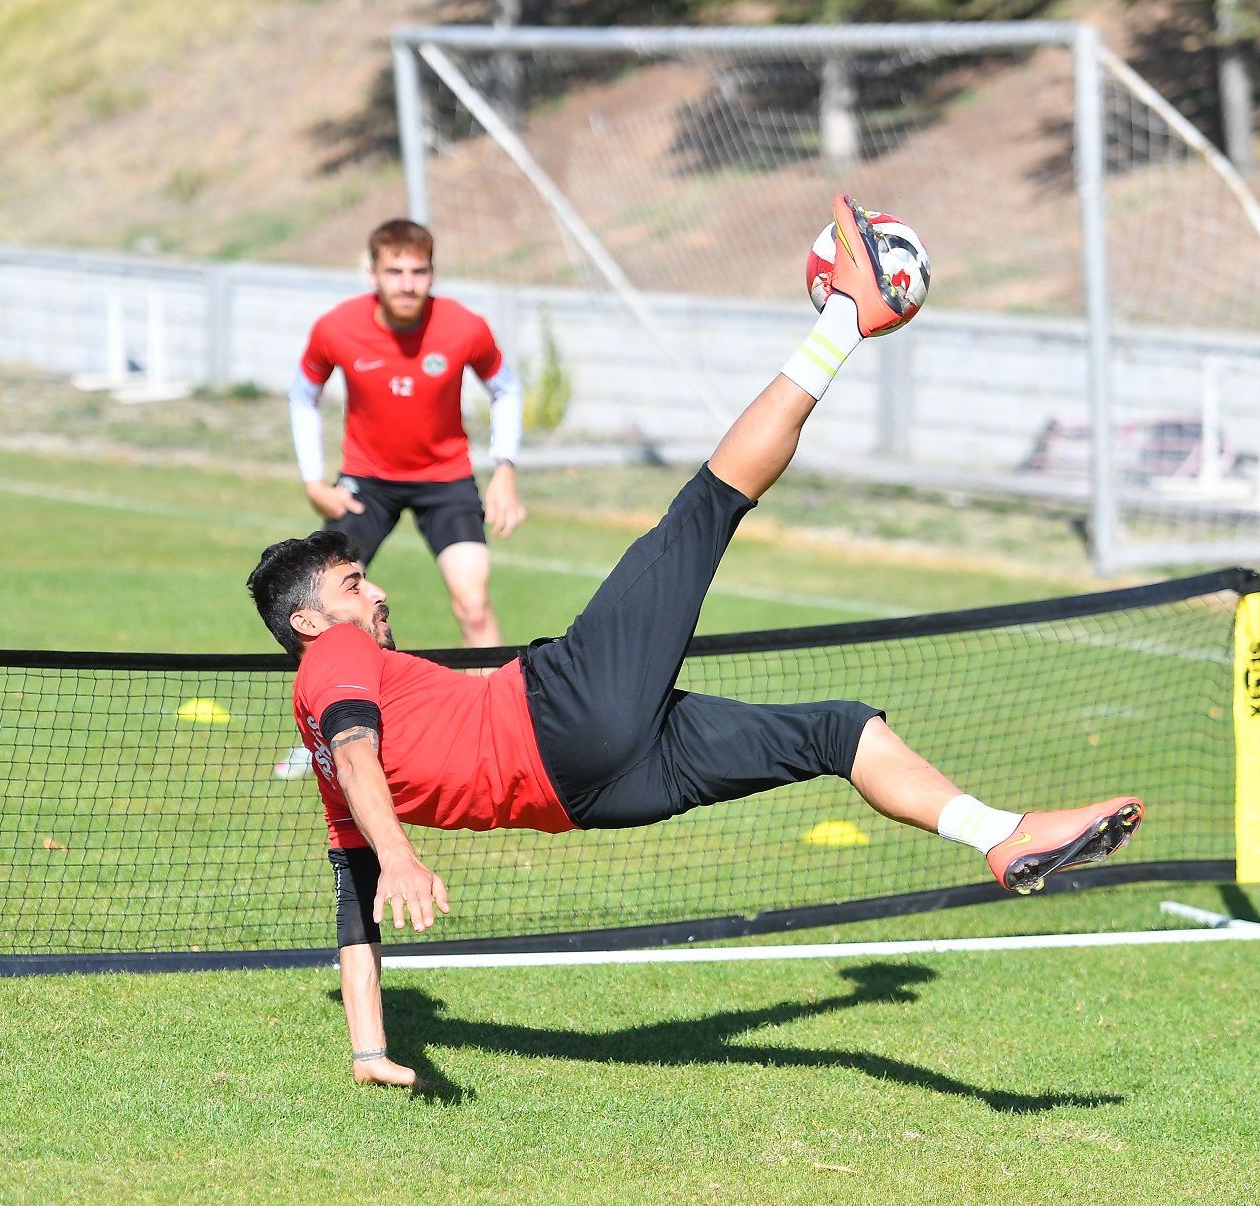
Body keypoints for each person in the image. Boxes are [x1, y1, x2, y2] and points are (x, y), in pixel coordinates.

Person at [247, 198, 1145, 1089]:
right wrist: (400, 851)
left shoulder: (330, 758)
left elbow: (352, 914)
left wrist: (369, 1049)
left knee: (835, 732)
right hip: (560, 708)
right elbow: (360, 748)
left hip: (596, 794)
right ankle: (847, 315)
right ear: (308, 622)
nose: (377, 591)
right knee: (707, 506)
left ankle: (999, 834)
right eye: (354, 586)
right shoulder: (334, 660)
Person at [289, 218, 526, 649]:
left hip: (445, 482)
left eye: (419, 271)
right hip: (366, 485)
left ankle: (492, 713)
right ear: (372, 274)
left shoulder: (464, 327)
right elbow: (303, 396)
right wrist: (313, 482)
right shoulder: (336, 328)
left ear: (432, 274)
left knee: (473, 603)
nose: (407, 284)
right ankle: (337, 711)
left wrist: (505, 469)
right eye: (394, 272)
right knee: (326, 602)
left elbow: (506, 389)